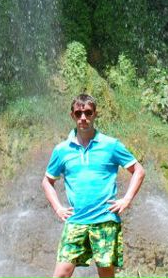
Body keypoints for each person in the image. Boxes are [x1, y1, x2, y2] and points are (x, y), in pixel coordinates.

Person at [42, 93, 145, 278]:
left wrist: (126, 200)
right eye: (79, 113)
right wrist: (58, 208)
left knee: (106, 275)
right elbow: (47, 181)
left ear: (95, 114)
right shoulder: (62, 150)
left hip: (105, 220)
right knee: (60, 275)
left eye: (88, 113)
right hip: (75, 221)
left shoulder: (111, 145)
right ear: (72, 116)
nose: (83, 118)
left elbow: (138, 171)